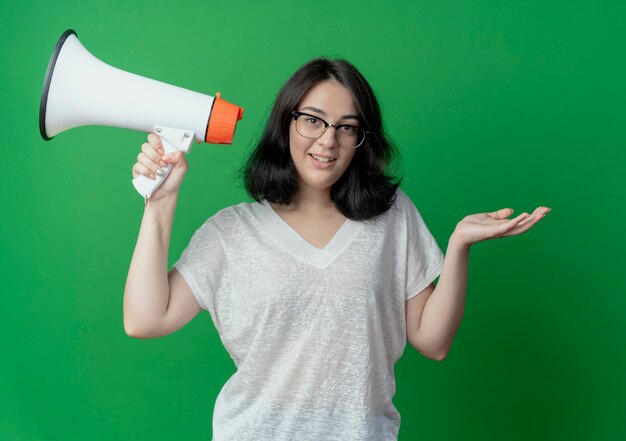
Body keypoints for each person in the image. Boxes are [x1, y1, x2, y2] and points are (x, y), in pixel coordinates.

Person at [124, 58, 550, 441]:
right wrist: (159, 203)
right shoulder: (230, 232)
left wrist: (458, 244)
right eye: (312, 120)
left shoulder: (392, 217)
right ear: (285, 123)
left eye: (346, 127)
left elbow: (433, 341)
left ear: (362, 138)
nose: (328, 141)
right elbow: (145, 319)